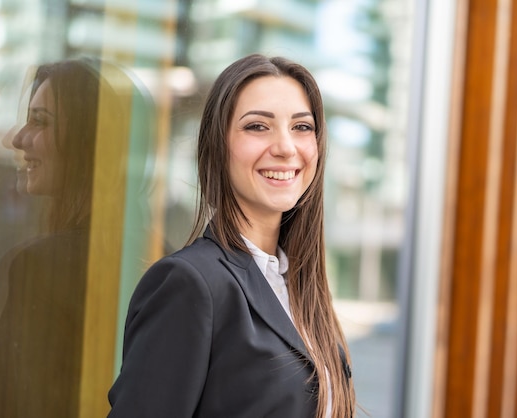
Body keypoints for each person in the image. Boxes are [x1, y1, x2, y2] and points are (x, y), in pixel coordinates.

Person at [107, 54, 356, 418]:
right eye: (257, 126)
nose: (286, 147)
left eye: (301, 127)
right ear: (218, 147)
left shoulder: (299, 287)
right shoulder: (190, 284)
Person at [0, 57, 154, 417]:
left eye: (39, 121)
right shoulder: (165, 259)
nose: (18, 138)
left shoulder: (38, 266)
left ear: (87, 142)